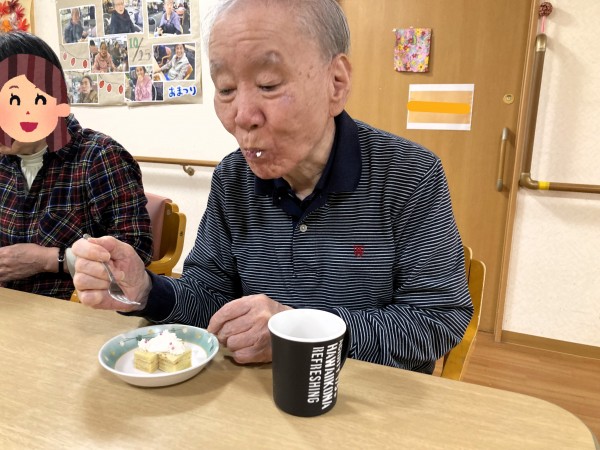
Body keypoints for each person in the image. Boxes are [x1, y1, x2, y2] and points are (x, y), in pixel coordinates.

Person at [72, 0, 472, 373]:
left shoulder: (410, 175)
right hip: (260, 393)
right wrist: (145, 289)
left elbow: (438, 319)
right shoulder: (234, 179)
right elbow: (209, 296)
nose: (243, 116)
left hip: (369, 399)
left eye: (268, 84)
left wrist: (298, 330)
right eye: (226, 89)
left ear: (336, 83)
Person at [0, 31, 153, 300]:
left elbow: (135, 256)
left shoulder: (99, 157)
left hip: (71, 310)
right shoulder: (5, 161)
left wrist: (48, 259)